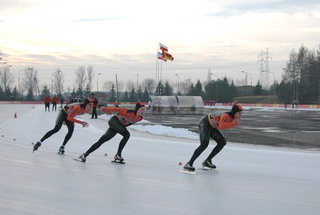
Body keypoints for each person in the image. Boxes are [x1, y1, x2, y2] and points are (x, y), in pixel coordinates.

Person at [76, 102, 145, 163]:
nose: (143, 111)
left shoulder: (139, 118)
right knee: (127, 135)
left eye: (144, 109)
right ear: (137, 109)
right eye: (141, 109)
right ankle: (118, 155)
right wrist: (103, 108)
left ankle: (85, 154)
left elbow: (127, 124)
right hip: (114, 121)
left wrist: (121, 127)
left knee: (102, 140)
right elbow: (114, 109)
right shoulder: (127, 111)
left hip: (117, 126)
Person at [183, 103, 243, 172]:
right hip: (205, 123)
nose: (240, 115)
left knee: (222, 142)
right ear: (234, 113)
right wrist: (234, 124)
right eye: (239, 113)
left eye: (241, 113)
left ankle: (208, 161)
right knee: (204, 144)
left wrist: (233, 123)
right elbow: (221, 126)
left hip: (212, 126)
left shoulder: (232, 118)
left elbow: (222, 125)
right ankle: (189, 164)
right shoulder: (226, 116)